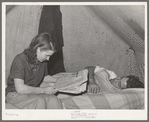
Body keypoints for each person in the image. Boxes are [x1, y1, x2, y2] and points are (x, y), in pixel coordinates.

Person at [6, 32, 63, 109]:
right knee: (39, 101)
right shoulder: (20, 60)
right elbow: (20, 89)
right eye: (47, 55)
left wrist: (61, 80)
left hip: (32, 93)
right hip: (14, 94)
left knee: (54, 100)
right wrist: (45, 90)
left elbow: (44, 77)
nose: (48, 59)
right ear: (38, 49)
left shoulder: (42, 61)